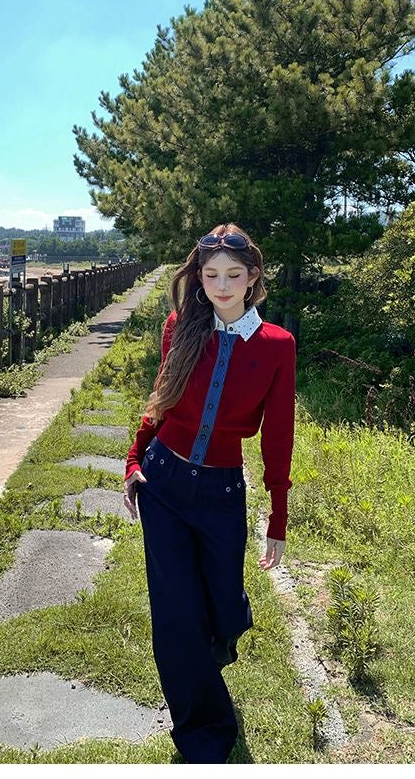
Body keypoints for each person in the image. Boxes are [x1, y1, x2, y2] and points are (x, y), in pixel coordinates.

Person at [123, 222, 296, 764]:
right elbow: (162, 395)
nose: (221, 285)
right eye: (211, 274)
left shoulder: (276, 346)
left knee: (222, 609)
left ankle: (217, 639)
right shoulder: (181, 326)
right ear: (198, 277)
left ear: (253, 279)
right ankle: (204, 735)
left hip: (222, 492)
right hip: (165, 484)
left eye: (233, 275)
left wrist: (278, 513)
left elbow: (279, 433)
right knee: (175, 615)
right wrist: (133, 459)